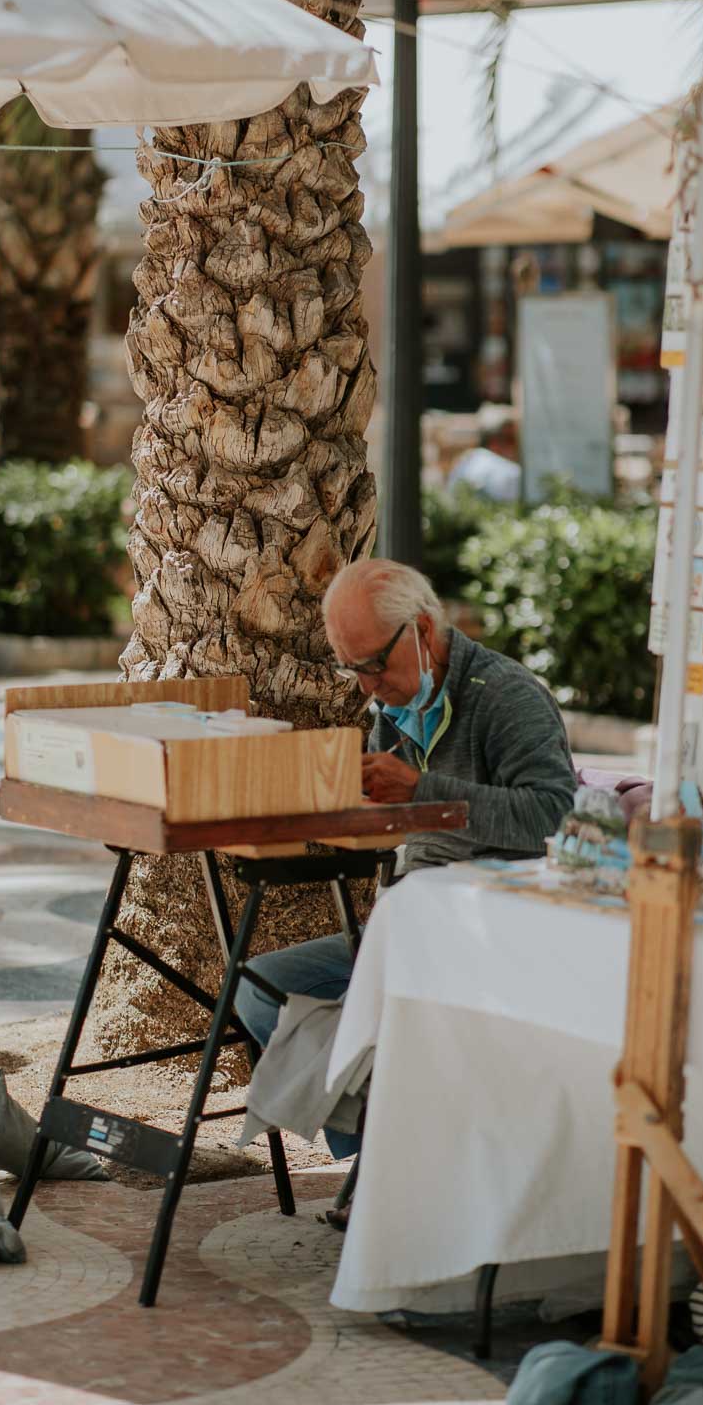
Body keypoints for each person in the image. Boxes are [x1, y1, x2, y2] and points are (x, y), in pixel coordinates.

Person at [233, 559, 577, 1156]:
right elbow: (384, 823)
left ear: (421, 631)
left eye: (372, 665)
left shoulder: (507, 697)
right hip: (408, 919)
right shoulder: (392, 706)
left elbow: (553, 815)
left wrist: (421, 790)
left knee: (391, 1016)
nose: (367, 686)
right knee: (259, 988)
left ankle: (394, 1154)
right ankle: (378, 1148)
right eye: (352, 669)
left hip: (487, 932)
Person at [446, 404, 521, 502]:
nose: (515, 446)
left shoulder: (463, 463)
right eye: (510, 439)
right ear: (494, 441)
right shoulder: (510, 473)